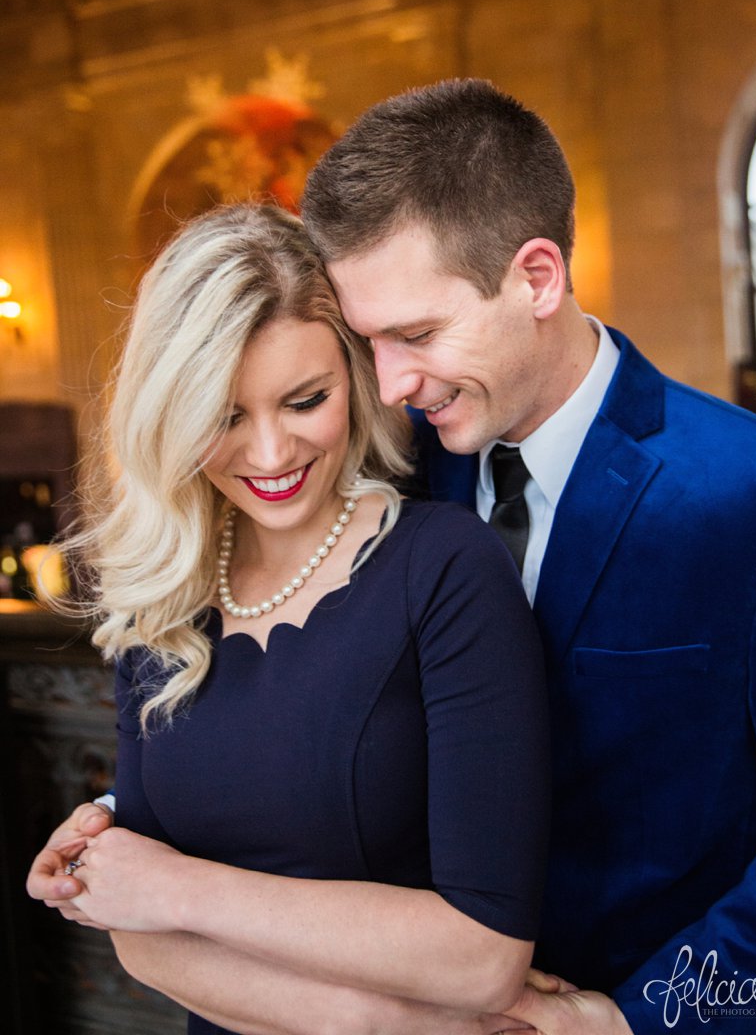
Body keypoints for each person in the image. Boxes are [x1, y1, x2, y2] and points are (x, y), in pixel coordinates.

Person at [297, 79, 756, 1034]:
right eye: (368, 344)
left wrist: (636, 1019)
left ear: (537, 277)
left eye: (417, 334)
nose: (393, 384)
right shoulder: (394, 481)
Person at [26, 202, 551, 1035]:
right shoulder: (160, 597)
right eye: (225, 416)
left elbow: (483, 954)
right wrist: (394, 1023)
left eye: (305, 400)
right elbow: (141, 941)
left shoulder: (446, 568)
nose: (270, 456)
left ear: (355, 372)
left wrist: (178, 888)